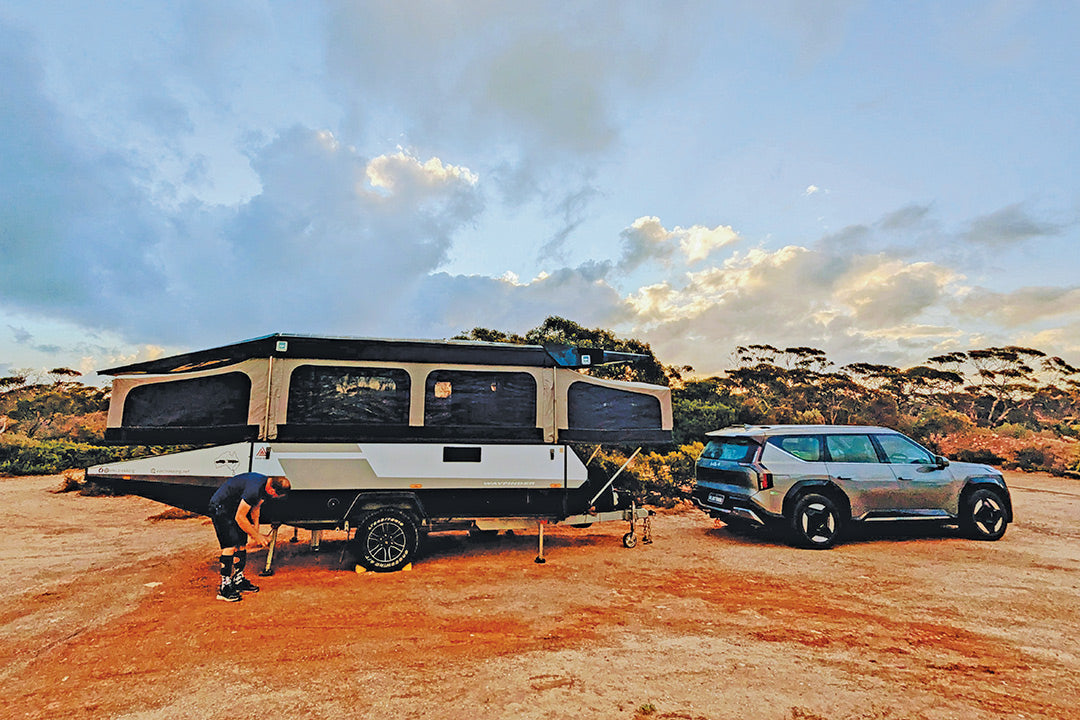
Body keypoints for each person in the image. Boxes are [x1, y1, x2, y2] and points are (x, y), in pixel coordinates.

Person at [208, 472, 291, 602]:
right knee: (230, 545)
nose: (274, 497)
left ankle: (238, 579)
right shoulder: (255, 488)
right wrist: (257, 536)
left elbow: (255, 509)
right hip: (221, 507)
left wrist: (255, 529)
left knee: (241, 544)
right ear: (271, 488)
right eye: (274, 494)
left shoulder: (266, 487)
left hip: (236, 508)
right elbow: (240, 517)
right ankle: (224, 587)